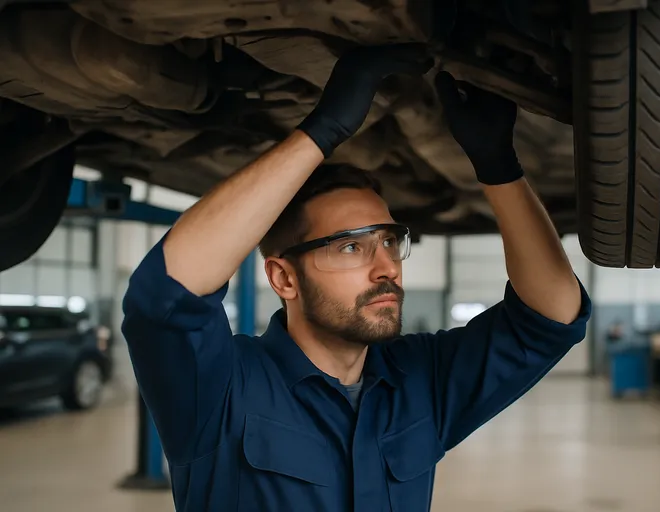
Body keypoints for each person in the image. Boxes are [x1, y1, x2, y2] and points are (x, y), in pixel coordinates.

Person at [122, 43, 591, 512]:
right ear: (284, 279)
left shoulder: (419, 381)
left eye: (389, 241)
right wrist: (320, 132)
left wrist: (499, 166)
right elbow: (166, 295)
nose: (387, 267)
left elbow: (550, 318)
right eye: (351, 247)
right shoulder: (220, 389)